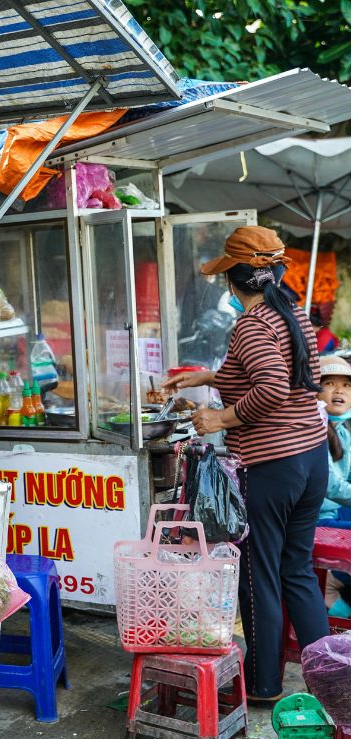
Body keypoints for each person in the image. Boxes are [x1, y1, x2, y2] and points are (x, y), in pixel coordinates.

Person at [164, 225, 329, 702]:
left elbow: (274, 387)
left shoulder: (253, 324)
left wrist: (221, 416)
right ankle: (330, 681)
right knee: (295, 569)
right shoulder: (292, 314)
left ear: (236, 280)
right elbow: (291, 377)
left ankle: (262, 685)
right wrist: (214, 375)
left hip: (274, 466)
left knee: (258, 577)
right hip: (310, 458)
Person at [317, 355, 350, 618]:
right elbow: (332, 486)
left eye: (346, 385)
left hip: (337, 514)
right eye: (329, 383)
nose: (339, 390)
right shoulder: (315, 427)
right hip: (317, 519)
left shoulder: (343, 431)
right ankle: (331, 583)